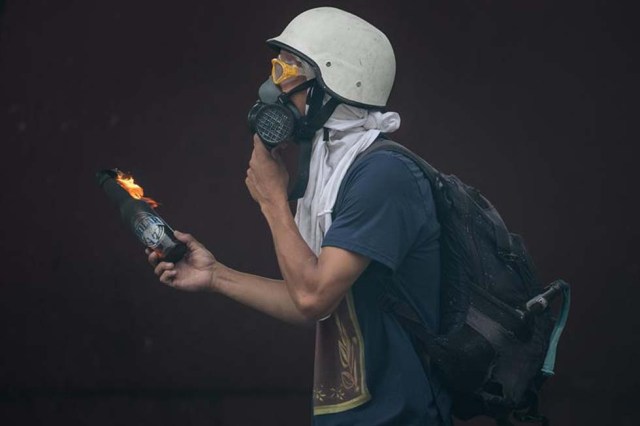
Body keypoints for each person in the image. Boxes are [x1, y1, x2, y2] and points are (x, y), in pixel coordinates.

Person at [148, 7, 452, 425]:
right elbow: (313, 302)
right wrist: (215, 275)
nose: (272, 88)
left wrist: (273, 201)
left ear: (336, 84)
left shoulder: (382, 175)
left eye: (286, 72)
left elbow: (313, 297)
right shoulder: (333, 168)